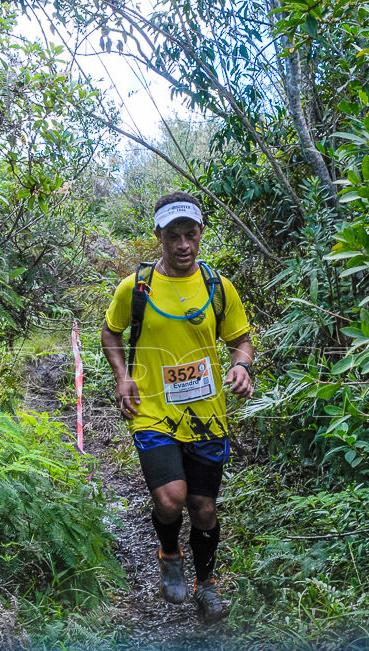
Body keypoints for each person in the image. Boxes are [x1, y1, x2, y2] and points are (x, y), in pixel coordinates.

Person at [100, 191, 254, 622]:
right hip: (152, 411)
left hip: (207, 415)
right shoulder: (137, 288)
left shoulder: (218, 288)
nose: (183, 244)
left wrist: (242, 366)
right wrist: (123, 377)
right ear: (159, 237)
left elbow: (241, 340)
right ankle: (169, 552)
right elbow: (110, 334)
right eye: (173, 236)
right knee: (171, 499)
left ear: (201, 234)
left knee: (204, 508)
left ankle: (207, 583)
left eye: (190, 234)